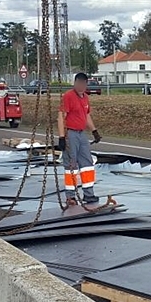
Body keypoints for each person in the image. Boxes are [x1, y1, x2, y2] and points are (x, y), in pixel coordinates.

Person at [57, 73, 103, 204]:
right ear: (75, 83)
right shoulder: (68, 97)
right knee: (71, 164)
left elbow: (86, 116)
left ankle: (89, 194)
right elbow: (61, 116)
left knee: (87, 163)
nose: (81, 86)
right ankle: (70, 196)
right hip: (70, 133)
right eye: (79, 83)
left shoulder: (85, 98)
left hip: (81, 133)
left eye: (84, 84)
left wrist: (94, 131)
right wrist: (61, 137)